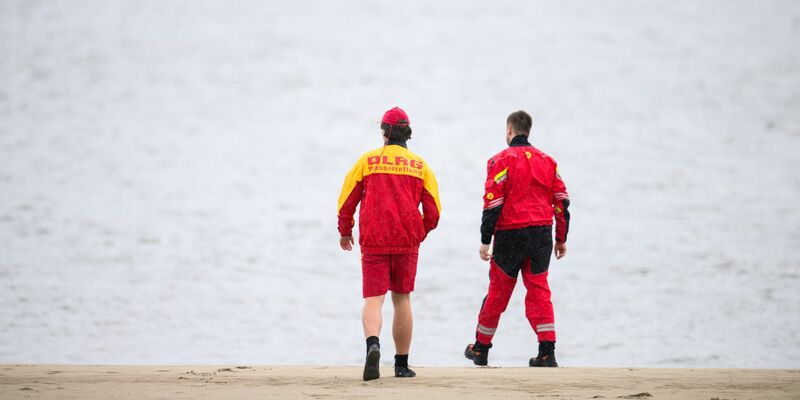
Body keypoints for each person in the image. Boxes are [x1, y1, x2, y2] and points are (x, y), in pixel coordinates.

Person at [337, 107, 441, 381]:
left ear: (384, 133)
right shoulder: (420, 166)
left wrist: (345, 230)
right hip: (406, 240)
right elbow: (433, 211)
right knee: (402, 298)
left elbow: (347, 199)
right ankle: (401, 364)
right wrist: (419, 231)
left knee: (374, 298)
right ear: (407, 134)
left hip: (374, 240)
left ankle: (373, 345)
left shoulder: (367, 161)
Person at [464, 110, 570, 367]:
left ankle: (481, 349)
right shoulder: (548, 162)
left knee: (498, 291)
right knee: (539, 290)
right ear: (528, 131)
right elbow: (562, 202)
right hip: (541, 234)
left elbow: (493, 203)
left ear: (509, 131)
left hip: (510, 234)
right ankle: (547, 352)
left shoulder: (500, 160)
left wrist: (485, 239)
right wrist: (561, 238)